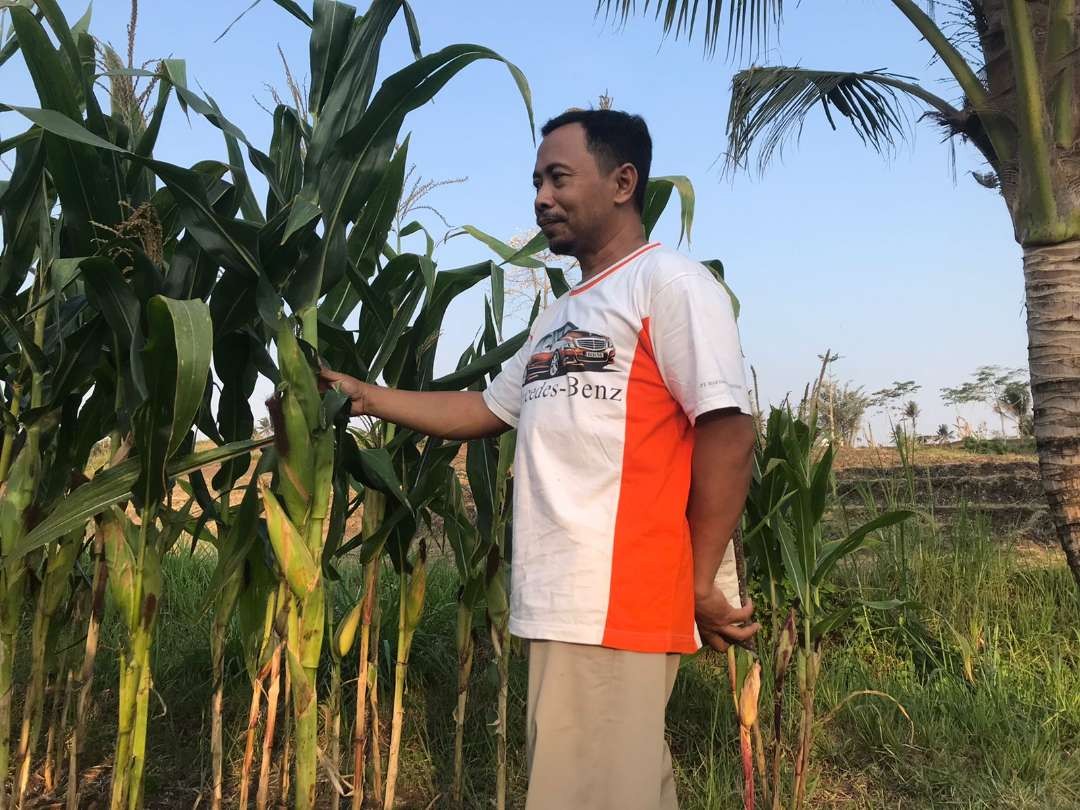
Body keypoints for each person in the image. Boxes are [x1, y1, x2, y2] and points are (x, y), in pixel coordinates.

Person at [320, 109, 758, 810]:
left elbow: (729, 429)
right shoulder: (561, 315)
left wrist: (702, 579)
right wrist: (367, 396)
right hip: (563, 600)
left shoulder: (667, 284)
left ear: (623, 182)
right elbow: (487, 411)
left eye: (558, 178)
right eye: (536, 182)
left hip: (617, 596)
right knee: (605, 789)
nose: (540, 198)